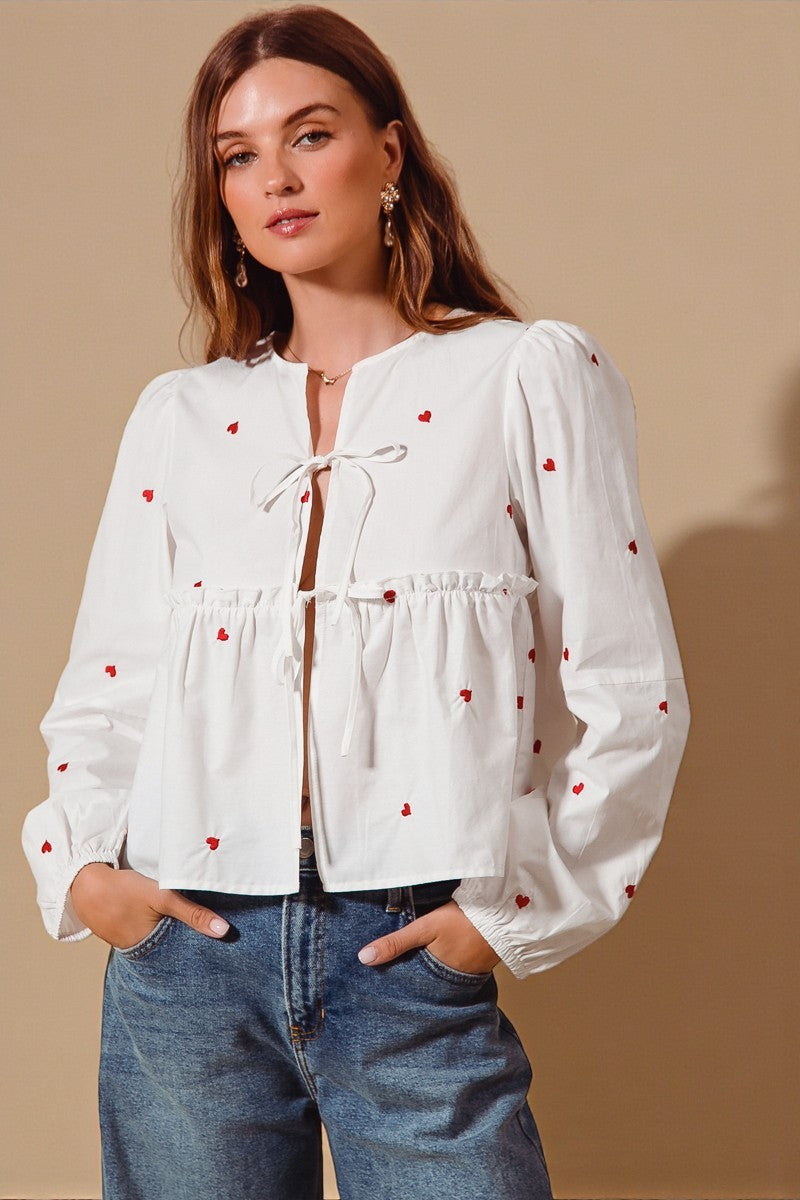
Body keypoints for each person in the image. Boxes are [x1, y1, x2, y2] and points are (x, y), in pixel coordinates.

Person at [20, 5, 690, 1198]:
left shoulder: (522, 375)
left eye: (310, 134)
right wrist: (86, 876)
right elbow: (110, 687)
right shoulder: (182, 417)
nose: (275, 177)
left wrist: (507, 918)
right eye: (237, 155)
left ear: (388, 153)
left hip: (408, 946)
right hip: (186, 958)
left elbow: (628, 690)